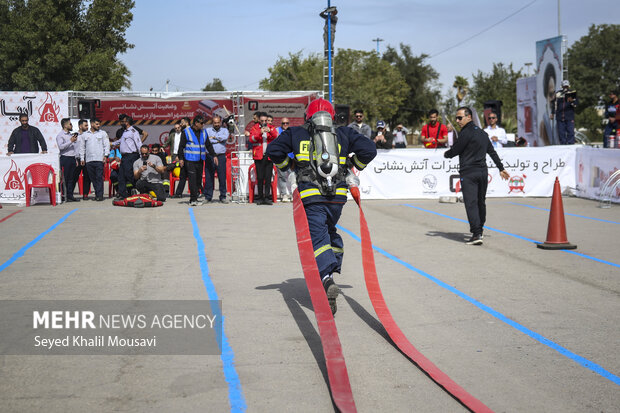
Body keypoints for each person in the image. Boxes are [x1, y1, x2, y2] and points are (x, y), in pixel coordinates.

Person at [266, 98, 377, 315]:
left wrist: (288, 167)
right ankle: (332, 268)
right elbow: (370, 149)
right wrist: (352, 167)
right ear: (332, 116)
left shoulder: (295, 133)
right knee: (328, 231)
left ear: (307, 117)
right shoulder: (344, 133)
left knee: (317, 237)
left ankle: (326, 280)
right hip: (337, 196)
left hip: (310, 194)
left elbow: (273, 150)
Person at [443, 107, 510, 245]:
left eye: (459, 118)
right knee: (480, 202)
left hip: (469, 173)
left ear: (469, 117)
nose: (457, 120)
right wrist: (501, 168)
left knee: (471, 203)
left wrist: (446, 154)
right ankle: (480, 230)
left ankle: (476, 233)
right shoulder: (482, 133)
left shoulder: (465, 133)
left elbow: (456, 150)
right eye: (456, 118)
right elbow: (492, 152)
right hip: (482, 172)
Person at [178, 115, 217, 206]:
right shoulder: (186, 132)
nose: (203, 125)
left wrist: (214, 155)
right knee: (192, 179)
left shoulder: (204, 132)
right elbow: (181, 147)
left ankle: (195, 197)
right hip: (190, 160)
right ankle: (193, 199)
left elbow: (208, 145)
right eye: (201, 123)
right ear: (196, 123)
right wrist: (181, 159)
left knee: (198, 180)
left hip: (200, 160)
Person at [249, 112, 279, 205]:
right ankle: (260, 198)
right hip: (258, 156)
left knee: (268, 177)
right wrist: (260, 132)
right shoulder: (254, 128)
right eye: (262, 121)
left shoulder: (271, 127)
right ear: (259, 120)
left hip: (269, 156)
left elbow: (277, 136)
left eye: (265, 120)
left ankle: (267, 197)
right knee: (260, 177)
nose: (264, 122)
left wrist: (269, 130)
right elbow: (251, 139)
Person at [78, 118, 109, 202]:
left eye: (99, 124)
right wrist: (82, 158)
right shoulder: (84, 135)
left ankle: (100, 195)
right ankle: (97, 193)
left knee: (99, 177)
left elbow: (106, 145)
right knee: (93, 178)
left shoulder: (103, 133)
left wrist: (106, 155)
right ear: (92, 124)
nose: (98, 126)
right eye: (97, 124)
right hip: (89, 160)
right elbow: (82, 148)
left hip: (99, 159)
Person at [113, 115, 142, 199]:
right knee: (121, 176)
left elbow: (138, 144)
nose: (121, 123)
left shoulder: (133, 131)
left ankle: (137, 189)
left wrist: (141, 156)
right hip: (124, 157)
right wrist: (111, 143)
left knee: (129, 175)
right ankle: (123, 194)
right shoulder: (125, 132)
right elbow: (120, 141)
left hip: (131, 156)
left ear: (127, 122)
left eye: (123, 121)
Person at [204, 115, 230, 203]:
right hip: (210, 156)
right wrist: (219, 140)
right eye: (215, 123)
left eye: (218, 122)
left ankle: (223, 196)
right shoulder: (207, 130)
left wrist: (214, 138)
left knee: (222, 176)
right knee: (209, 176)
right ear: (212, 123)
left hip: (221, 156)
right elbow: (207, 141)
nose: (216, 124)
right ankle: (208, 196)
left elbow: (225, 138)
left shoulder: (225, 130)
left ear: (221, 122)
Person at [56, 118, 80, 202]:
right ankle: (63, 195)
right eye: (70, 124)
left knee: (72, 178)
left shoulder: (70, 135)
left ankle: (70, 195)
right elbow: (61, 147)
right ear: (65, 125)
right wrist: (70, 141)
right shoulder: (60, 135)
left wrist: (76, 158)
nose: (71, 126)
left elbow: (74, 148)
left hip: (72, 158)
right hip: (65, 158)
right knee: (65, 178)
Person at [551, 79, 578, 145]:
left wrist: (572, 101)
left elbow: (576, 104)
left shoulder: (572, 93)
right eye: (564, 86)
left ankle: (571, 144)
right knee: (561, 132)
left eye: (566, 86)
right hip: (560, 116)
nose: (565, 88)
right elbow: (554, 104)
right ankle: (563, 145)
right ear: (562, 86)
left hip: (569, 116)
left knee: (570, 132)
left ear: (569, 86)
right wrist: (552, 113)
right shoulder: (558, 94)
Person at [276, 118, 293, 202]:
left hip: (291, 157)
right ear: (281, 124)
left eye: (287, 123)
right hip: (281, 157)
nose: (285, 125)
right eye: (283, 123)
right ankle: (284, 195)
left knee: (292, 176)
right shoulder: (277, 130)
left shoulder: (292, 131)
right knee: (282, 176)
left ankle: (294, 194)